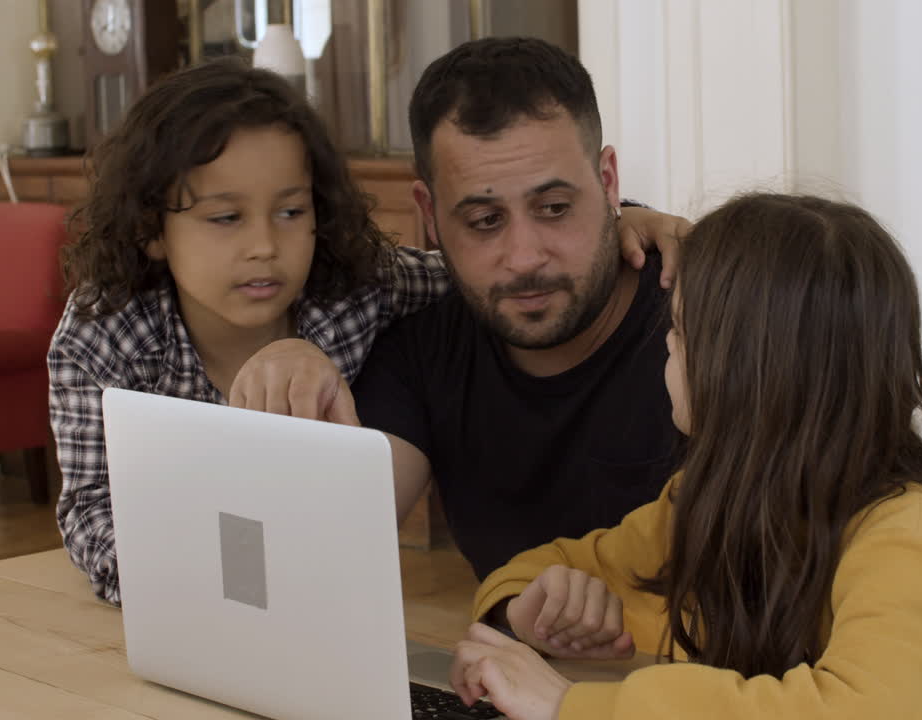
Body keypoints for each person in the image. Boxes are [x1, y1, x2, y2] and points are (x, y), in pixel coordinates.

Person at [50, 58, 684, 605]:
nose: (264, 247)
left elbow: (482, 280)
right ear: (150, 228)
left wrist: (627, 217)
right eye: (224, 218)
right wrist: (188, 582)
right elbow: (89, 511)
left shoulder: (360, 291)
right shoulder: (103, 335)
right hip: (179, 604)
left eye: (291, 211)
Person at [449, 193, 922, 720]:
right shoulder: (703, 501)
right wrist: (527, 611)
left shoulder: (902, 531)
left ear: (749, 372)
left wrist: (569, 706)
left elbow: (870, 709)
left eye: (679, 331)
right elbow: (556, 563)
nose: (666, 348)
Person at [349, 37, 690, 581]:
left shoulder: (702, 327)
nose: (525, 257)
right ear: (430, 215)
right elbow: (334, 538)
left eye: (554, 209)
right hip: (513, 663)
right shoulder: (417, 351)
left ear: (608, 184)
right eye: (484, 220)